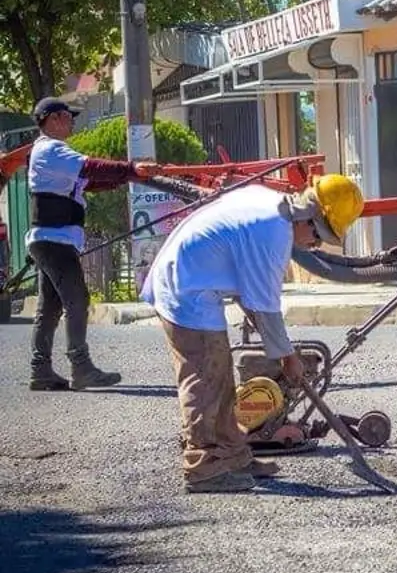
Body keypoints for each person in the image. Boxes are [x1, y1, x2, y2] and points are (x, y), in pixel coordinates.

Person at [139, 173, 365, 493]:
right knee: (206, 380)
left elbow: (252, 294)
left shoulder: (267, 202)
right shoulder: (273, 234)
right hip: (185, 290)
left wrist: (280, 348)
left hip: (191, 280)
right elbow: (268, 310)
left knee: (222, 381)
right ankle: (203, 466)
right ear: (310, 219)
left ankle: (233, 456)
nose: (313, 245)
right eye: (318, 238)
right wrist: (289, 361)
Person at [24, 97, 161, 391]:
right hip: (55, 240)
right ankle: (81, 367)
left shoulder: (45, 152)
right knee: (78, 299)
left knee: (49, 306)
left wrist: (125, 177)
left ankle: (41, 370)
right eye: (68, 116)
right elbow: (90, 167)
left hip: (48, 239)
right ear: (54, 118)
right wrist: (132, 168)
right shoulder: (51, 148)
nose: (73, 121)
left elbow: (88, 182)